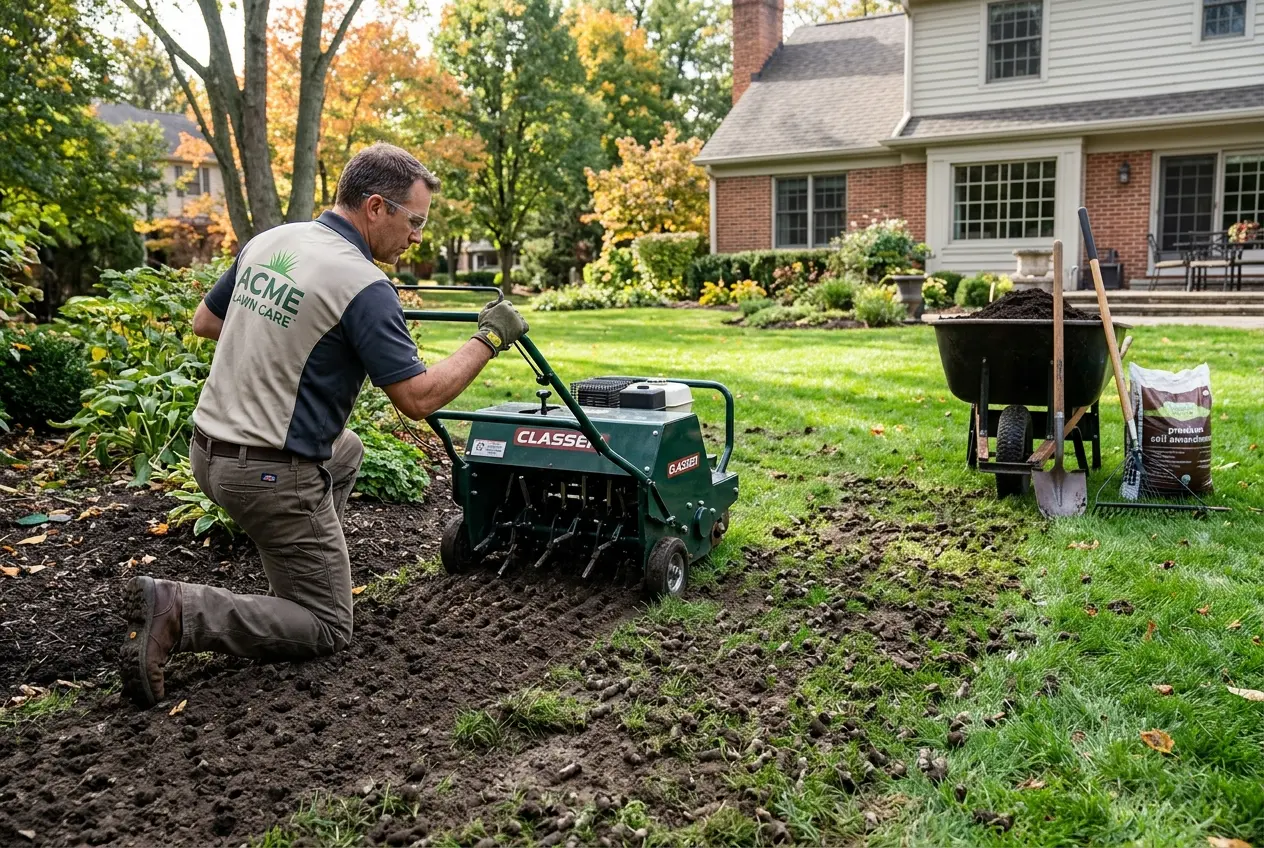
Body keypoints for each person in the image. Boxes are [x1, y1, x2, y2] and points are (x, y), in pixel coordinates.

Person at [118, 143, 529, 707]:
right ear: (377, 206)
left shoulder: (273, 240)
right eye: (415, 222)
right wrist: (488, 339)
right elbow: (418, 397)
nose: (417, 237)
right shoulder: (362, 284)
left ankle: (303, 572)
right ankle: (182, 611)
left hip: (208, 449)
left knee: (346, 450)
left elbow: (207, 321)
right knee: (330, 626)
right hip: (267, 476)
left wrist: (289, 347)